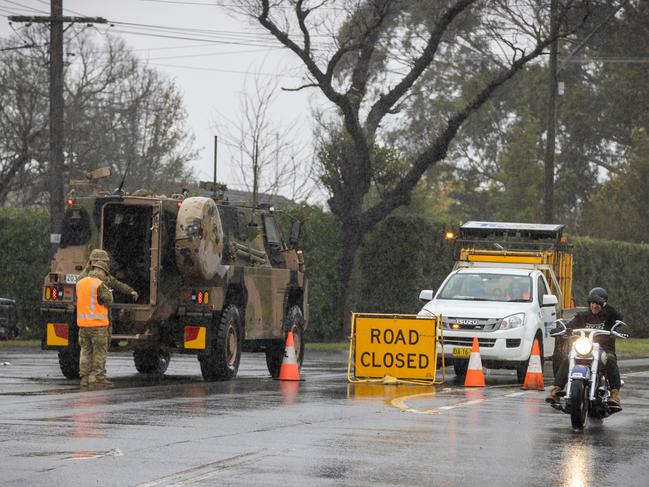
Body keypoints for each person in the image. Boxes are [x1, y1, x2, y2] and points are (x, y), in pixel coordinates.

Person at [546, 287, 624, 408]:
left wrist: (605, 305)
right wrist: (561, 330)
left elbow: (619, 318)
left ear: (603, 304)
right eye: (593, 303)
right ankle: (556, 391)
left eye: (598, 303)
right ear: (589, 303)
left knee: (610, 359)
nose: (595, 306)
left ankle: (615, 394)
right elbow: (569, 325)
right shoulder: (582, 316)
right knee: (568, 358)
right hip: (585, 349)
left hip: (604, 350)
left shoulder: (609, 316)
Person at [76, 249, 138, 388]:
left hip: (83, 323)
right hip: (98, 324)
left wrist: (129, 290)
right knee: (99, 352)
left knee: (85, 351)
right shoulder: (100, 280)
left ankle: (85, 377)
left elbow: (115, 283)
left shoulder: (81, 281)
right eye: (104, 263)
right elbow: (109, 299)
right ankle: (98, 378)